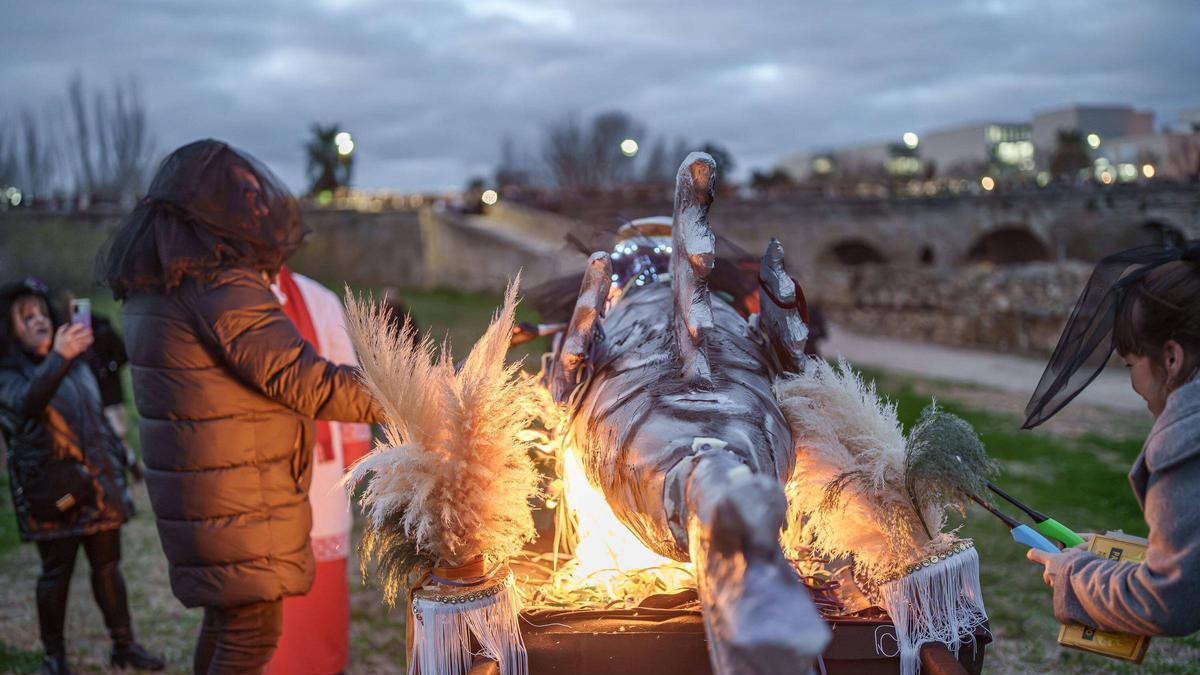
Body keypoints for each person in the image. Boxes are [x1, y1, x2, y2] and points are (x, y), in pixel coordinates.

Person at [99, 139, 383, 674]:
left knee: (229, 625)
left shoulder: (160, 283)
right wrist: (406, 392)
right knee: (250, 635)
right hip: (234, 497)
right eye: (246, 196)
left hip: (206, 496)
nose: (259, 209)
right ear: (214, 204)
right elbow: (304, 380)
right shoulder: (218, 282)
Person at [1023, 240, 1200, 637]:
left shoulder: (1186, 440)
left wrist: (1074, 573)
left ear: (1171, 358)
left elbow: (1169, 600)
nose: (1133, 381)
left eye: (1131, 364)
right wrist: (1116, 556)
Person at [0, 277, 164, 675]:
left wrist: (125, 461)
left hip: (98, 489)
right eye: (25, 316)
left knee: (109, 570)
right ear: (8, 329)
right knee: (56, 575)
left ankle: (124, 647)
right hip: (54, 496)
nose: (37, 319)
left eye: (40, 311)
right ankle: (54, 659)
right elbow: (28, 403)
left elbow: (98, 420)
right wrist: (58, 357)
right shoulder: (9, 373)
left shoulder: (76, 364)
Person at [265, 266, 373, 675]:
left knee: (320, 584)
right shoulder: (227, 299)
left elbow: (348, 378)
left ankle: (322, 663)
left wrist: (354, 461)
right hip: (256, 469)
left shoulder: (319, 300)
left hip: (319, 470)